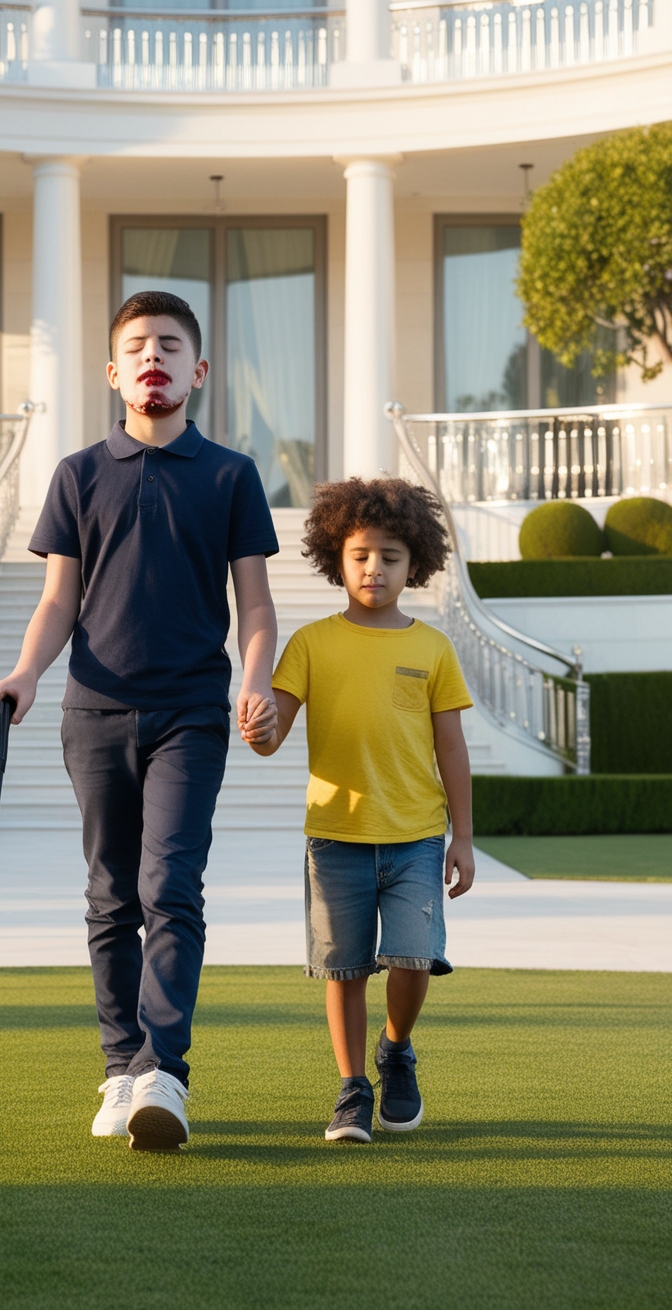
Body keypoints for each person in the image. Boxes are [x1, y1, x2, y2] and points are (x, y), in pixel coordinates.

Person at [0, 291, 278, 1151]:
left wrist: (254, 679)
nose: (155, 357)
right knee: (111, 897)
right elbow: (56, 600)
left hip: (191, 712)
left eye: (171, 346)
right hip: (94, 711)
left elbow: (255, 605)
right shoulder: (77, 473)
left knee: (171, 889)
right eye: (138, 346)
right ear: (114, 372)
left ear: (199, 372)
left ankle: (164, 1076)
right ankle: (119, 1070)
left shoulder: (232, 475)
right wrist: (23, 674)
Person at [245, 476, 475, 1143]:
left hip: (417, 839)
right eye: (361, 554)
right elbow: (274, 733)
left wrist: (464, 838)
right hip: (335, 839)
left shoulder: (432, 649)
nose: (375, 567)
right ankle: (352, 1089)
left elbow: (452, 748)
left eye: (391, 556)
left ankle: (396, 1048)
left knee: (412, 960)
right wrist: (260, 727)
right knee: (345, 969)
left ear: (415, 564)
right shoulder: (311, 644)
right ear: (335, 558)